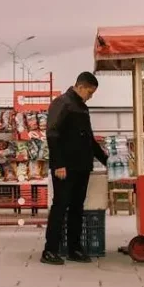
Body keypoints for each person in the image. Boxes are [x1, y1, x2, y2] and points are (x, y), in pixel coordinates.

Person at [41, 72, 109, 265]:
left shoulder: (82, 108)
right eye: (90, 91)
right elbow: (52, 134)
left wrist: (106, 160)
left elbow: (89, 139)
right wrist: (59, 164)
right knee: (60, 207)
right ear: (80, 86)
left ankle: (74, 248)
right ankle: (50, 250)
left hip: (81, 166)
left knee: (77, 208)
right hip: (66, 167)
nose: (91, 96)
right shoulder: (62, 103)